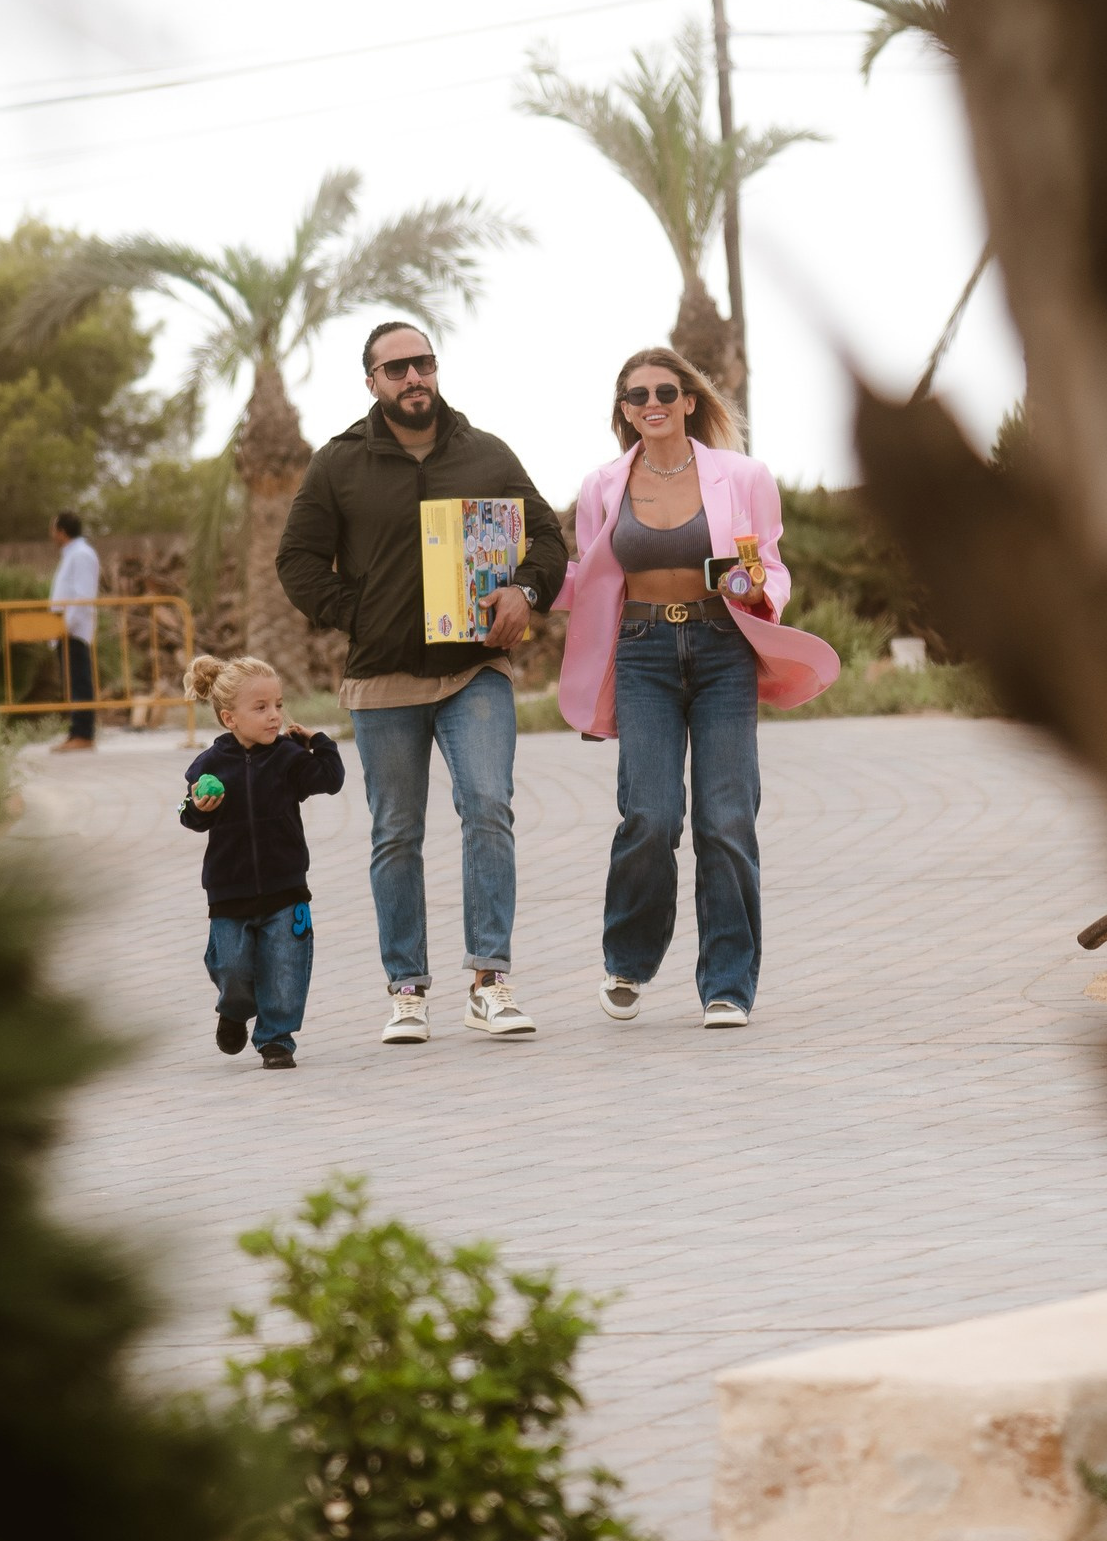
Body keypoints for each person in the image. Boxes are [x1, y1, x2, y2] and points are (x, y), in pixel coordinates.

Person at [277, 321, 567, 1045]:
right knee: (396, 834)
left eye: (424, 364)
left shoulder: (487, 452)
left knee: (488, 808)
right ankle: (407, 990)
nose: (414, 378)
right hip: (383, 680)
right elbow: (299, 559)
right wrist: (360, 614)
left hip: (475, 669)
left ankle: (491, 983)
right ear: (371, 381)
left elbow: (548, 537)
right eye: (396, 368)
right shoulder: (338, 463)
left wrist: (525, 592)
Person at [552, 346, 838, 1028]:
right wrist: (511, 584)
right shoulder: (601, 486)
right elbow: (588, 575)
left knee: (726, 818)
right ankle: (628, 960)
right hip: (643, 651)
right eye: (635, 396)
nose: (650, 403)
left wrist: (763, 588)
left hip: (722, 650)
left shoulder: (742, 476)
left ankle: (728, 985)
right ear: (622, 411)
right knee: (649, 815)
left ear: (688, 401)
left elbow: (767, 562)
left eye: (663, 391)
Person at [178, 654, 347, 1069]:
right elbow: (189, 815)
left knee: (286, 968)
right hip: (229, 890)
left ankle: (276, 1038)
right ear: (229, 718)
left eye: (278, 704)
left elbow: (330, 779)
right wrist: (201, 807)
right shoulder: (209, 766)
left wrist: (318, 742)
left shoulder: (288, 758)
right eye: (261, 708)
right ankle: (234, 1010)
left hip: (286, 887)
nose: (275, 716)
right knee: (231, 965)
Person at [48, 511, 100, 752]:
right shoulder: (73, 555)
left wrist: (66, 626)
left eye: (53, 528)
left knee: (80, 680)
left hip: (73, 630)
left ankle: (83, 734)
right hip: (66, 630)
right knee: (74, 681)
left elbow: (82, 595)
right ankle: (76, 732)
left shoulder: (81, 555)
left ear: (61, 531)